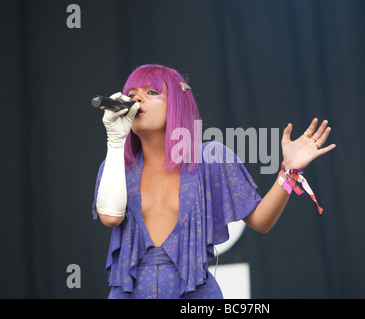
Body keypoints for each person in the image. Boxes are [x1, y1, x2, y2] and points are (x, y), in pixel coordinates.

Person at [92, 64, 336, 299]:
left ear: (177, 102)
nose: (137, 99)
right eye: (131, 94)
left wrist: (289, 171)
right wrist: (115, 140)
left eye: (152, 92)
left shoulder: (211, 158)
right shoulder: (115, 167)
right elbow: (111, 217)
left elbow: (261, 221)